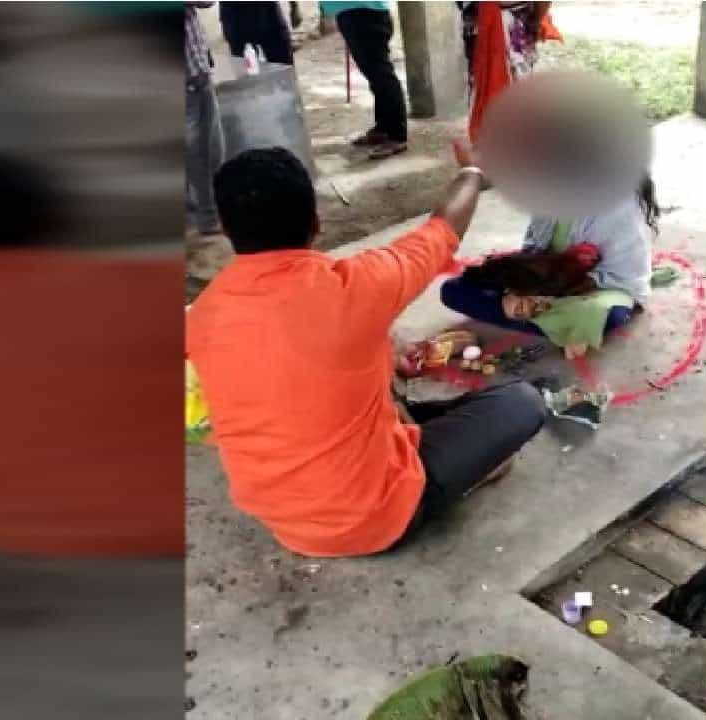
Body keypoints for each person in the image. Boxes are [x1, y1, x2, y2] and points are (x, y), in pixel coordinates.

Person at [186, 144, 546, 557]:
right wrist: (473, 172)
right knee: (521, 402)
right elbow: (444, 228)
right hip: (373, 520)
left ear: (226, 230)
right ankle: (460, 477)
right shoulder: (357, 285)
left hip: (284, 522)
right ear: (316, 222)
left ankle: (440, 449)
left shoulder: (204, 314)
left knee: (376, 381)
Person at [440, 176, 660, 358]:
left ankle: (567, 326)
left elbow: (622, 274)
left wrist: (542, 295)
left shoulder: (617, 207)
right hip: (547, 277)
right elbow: (533, 249)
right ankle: (564, 327)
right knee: (454, 290)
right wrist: (517, 289)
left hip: (599, 287)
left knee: (607, 316)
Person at [458, 1, 561, 140]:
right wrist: (536, 19)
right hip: (491, 22)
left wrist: (536, 20)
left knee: (495, 81)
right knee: (504, 81)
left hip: (498, 22)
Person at [321, 1, 408, 159]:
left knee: (381, 75)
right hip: (354, 11)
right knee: (375, 76)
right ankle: (384, 128)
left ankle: (397, 135)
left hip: (364, 11)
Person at [185, 1, 221, 235]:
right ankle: (207, 217)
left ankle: (198, 212)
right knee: (201, 152)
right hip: (189, 78)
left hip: (197, 71)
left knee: (205, 150)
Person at [218, 0, 294, 66]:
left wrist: (293, 5)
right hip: (235, 18)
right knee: (247, 70)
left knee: (283, 65)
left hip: (267, 14)